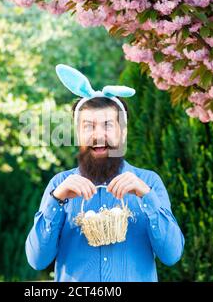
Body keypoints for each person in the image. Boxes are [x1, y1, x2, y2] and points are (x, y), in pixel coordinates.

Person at [25, 64, 185, 281]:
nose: (98, 134)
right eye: (88, 126)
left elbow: (172, 254)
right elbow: (37, 260)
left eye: (108, 125)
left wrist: (147, 197)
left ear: (123, 133)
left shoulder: (149, 182)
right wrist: (57, 200)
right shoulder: (59, 185)